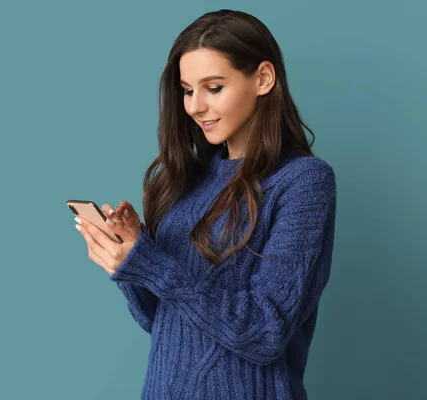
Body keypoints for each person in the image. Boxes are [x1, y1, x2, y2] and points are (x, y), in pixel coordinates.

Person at [74, 9, 337, 400]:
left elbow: (266, 332)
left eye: (213, 88)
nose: (195, 106)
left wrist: (150, 263)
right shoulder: (189, 182)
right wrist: (129, 257)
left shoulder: (304, 183)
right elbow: (162, 322)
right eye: (186, 90)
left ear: (263, 79)